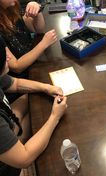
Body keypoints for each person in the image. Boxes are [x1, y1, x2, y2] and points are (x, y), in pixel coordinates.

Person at [0, 37, 67, 176]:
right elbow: (24, 158)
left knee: (33, 104)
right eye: (3, 53)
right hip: (9, 168)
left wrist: (46, 87)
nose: (8, 56)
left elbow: (16, 84)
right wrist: (55, 117)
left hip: (9, 121)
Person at [0, 0, 57, 78]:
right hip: (23, 78)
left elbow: (39, 29)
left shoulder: (11, 9)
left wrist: (37, 11)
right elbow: (16, 67)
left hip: (34, 64)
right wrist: (44, 43)